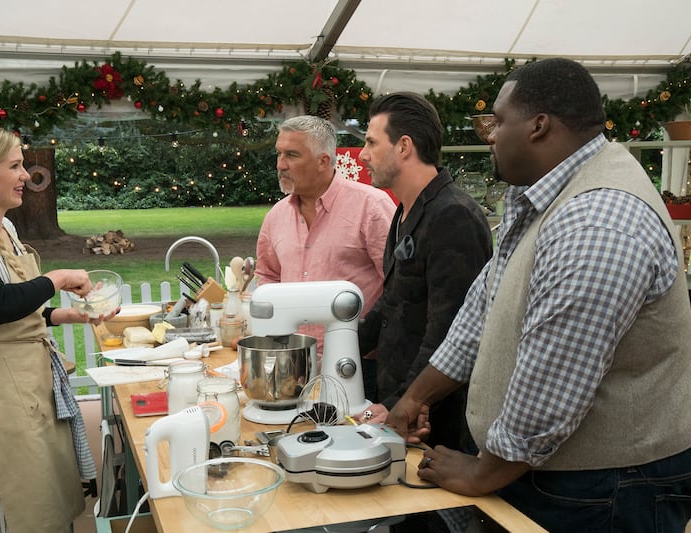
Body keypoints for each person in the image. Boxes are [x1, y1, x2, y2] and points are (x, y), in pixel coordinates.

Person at [385, 58, 691, 532]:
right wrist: (416, 397)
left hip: (606, 489)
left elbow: (557, 375)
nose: (489, 135)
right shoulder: (547, 198)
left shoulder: (595, 223)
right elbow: (483, 311)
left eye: (498, 121)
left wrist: (482, 471)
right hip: (551, 476)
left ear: (538, 126)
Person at [0, 124, 118, 532]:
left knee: (49, 500)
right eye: (15, 166)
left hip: (31, 385)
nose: (25, 176)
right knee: (17, 507)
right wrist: (60, 276)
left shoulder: (6, 230)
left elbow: (18, 309)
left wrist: (66, 315)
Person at [356, 92, 492, 453]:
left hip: (437, 424)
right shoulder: (404, 212)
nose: (362, 155)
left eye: (371, 142)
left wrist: (403, 403)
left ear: (404, 146)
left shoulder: (454, 216)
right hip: (402, 413)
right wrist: (333, 354)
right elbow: (394, 302)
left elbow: (452, 331)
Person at [255, 115, 396, 351]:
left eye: (291, 155)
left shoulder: (371, 206)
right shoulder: (276, 216)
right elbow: (268, 277)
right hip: (293, 357)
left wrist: (376, 342)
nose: (280, 164)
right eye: (279, 154)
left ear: (323, 161)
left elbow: (398, 284)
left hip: (359, 357)